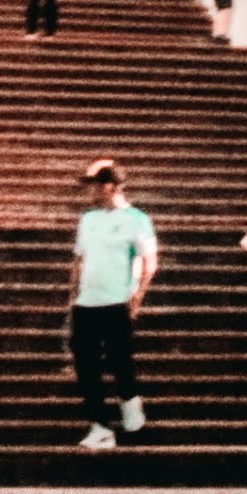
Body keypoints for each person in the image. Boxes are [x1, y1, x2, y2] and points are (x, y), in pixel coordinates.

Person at [68, 158, 157, 452]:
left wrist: (137, 297)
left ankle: (131, 410)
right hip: (86, 304)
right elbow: (79, 260)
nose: (90, 192)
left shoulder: (136, 219)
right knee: (87, 366)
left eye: (94, 185)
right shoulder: (88, 219)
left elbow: (149, 261)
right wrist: (72, 297)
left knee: (120, 363)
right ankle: (100, 426)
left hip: (116, 301)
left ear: (109, 186)